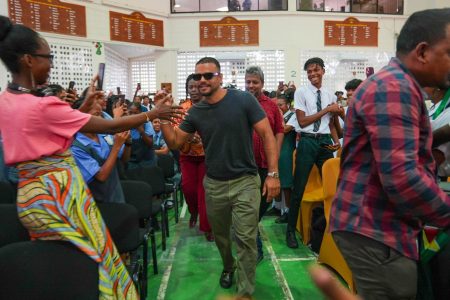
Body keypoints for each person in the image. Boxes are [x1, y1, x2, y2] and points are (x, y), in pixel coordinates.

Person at [0, 16, 182, 299]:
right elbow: (108, 126)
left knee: (60, 264)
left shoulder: (7, 99)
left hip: (31, 197)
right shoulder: (43, 105)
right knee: (97, 260)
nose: (51, 63)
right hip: (58, 196)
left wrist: (83, 107)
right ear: (27, 60)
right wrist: (152, 114)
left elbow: (47, 133)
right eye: (48, 57)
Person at [330, 8, 450, 300]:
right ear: (422, 52)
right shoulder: (394, 89)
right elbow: (403, 178)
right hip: (375, 228)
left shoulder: (401, 86)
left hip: (379, 225)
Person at [160, 57, 280, 299]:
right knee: (222, 237)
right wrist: (162, 117)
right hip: (213, 184)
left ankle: (245, 292)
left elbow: (267, 134)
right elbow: (174, 142)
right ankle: (228, 265)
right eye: (197, 77)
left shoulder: (243, 99)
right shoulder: (196, 111)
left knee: (245, 238)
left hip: (245, 181)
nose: (201, 80)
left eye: (208, 75)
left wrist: (273, 174)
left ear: (220, 77)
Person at [285, 57, 342, 248]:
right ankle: (290, 231)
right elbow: (302, 122)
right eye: (308, 71)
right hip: (308, 141)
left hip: (325, 142)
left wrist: (336, 142)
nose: (312, 74)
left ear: (323, 71)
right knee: (299, 187)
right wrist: (327, 109)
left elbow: (332, 124)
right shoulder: (301, 92)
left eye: (315, 70)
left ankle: (333, 229)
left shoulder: (330, 95)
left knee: (333, 186)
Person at [245, 66, 284, 263]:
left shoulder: (270, 105)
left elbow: (279, 130)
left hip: (266, 165)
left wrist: (274, 157)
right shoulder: (238, 103)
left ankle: (248, 233)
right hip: (244, 166)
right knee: (248, 208)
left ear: (262, 83)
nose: (251, 85)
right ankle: (254, 246)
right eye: (248, 82)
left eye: (255, 82)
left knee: (263, 203)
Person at [176, 74, 213, 241]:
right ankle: (193, 212)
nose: (193, 90)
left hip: (207, 156)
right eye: (190, 87)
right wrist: (188, 137)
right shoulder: (182, 108)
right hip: (187, 155)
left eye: (197, 87)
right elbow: (176, 130)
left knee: (204, 192)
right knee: (188, 189)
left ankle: (207, 227)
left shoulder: (211, 106)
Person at [275, 95, 297, 224]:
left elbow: (284, 129)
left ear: (288, 105)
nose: (279, 107)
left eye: (281, 105)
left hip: (287, 152)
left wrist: (277, 116)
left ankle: (288, 212)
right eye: (276, 105)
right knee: (277, 180)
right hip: (278, 151)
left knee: (287, 183)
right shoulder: (281, 116)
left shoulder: (293, 116)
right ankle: (277, 207)